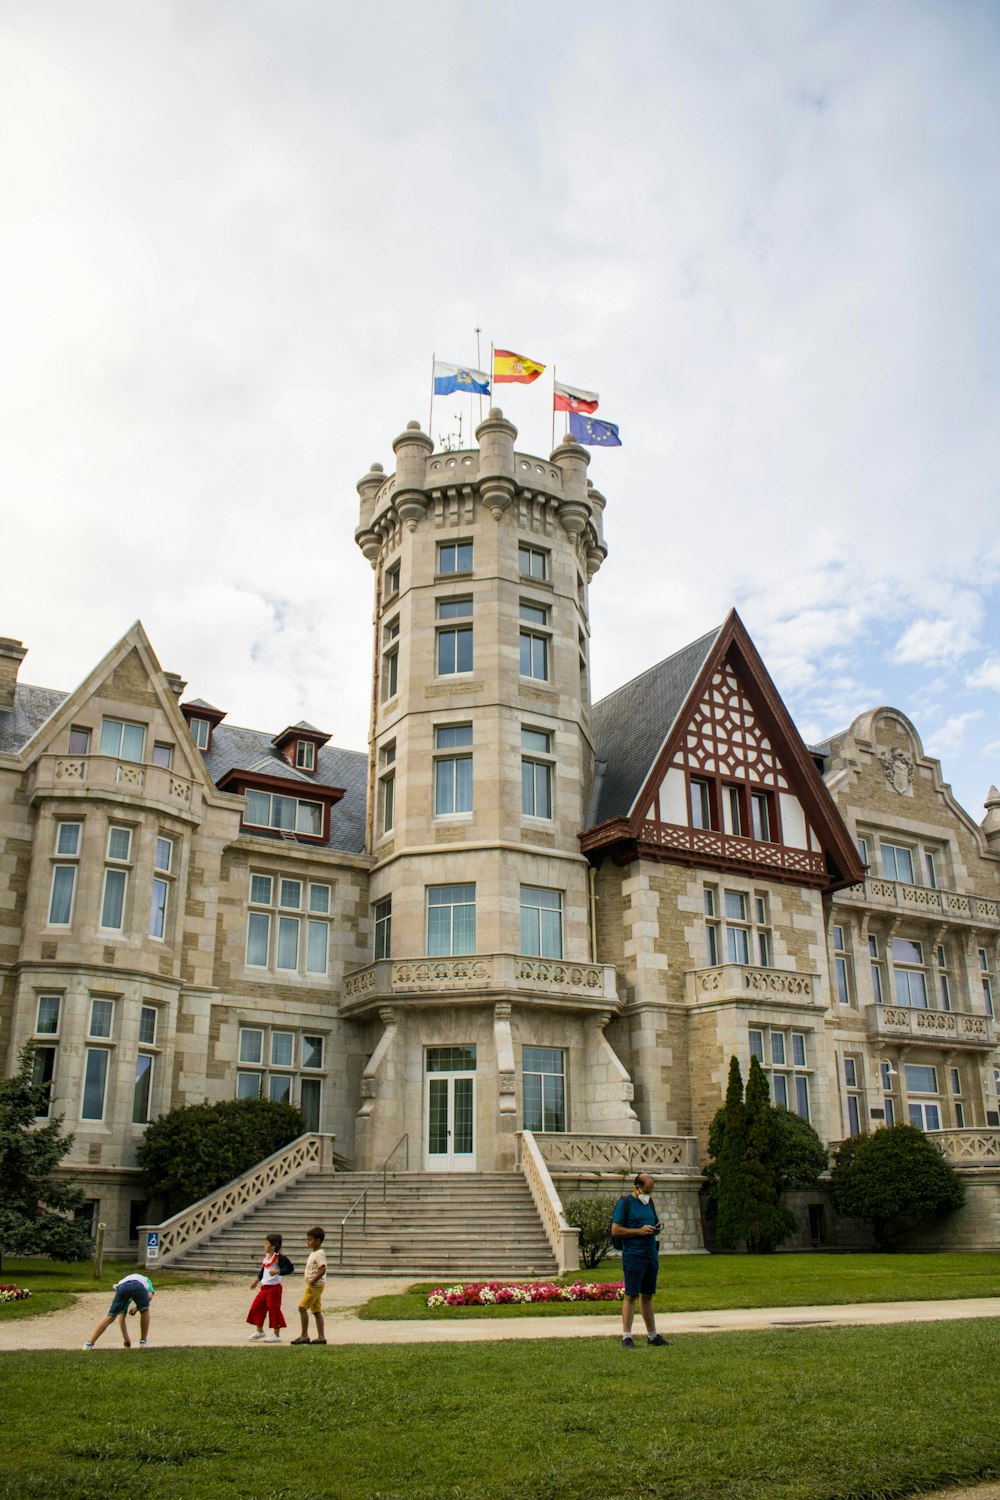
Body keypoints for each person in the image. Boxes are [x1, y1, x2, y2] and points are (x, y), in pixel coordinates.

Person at [611, 1172, 669, 1350]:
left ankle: (652, 1335)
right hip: (633, 1255)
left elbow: (652, 1221)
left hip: (650, 1254)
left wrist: (654, 1230)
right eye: (646, 1191)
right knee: (631, 1295)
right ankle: (626, 1336)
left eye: (651, 1192)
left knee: (647, 1295)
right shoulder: (625, 1203)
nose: (648, 1195)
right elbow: (616, 1230)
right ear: (637, 1187)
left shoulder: (649, 1202)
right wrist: (638, 1231)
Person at [83, 1272, 154, 1349]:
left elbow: (121, 1317)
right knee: (144, 1311)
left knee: (110, 1316)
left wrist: (126, 1339)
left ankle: (89, 1344)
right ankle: (143, 1342)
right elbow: (149, 1296)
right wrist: (137, 1308)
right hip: (138, 1286)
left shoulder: (124, 1283)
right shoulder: (147, 1280)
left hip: (122, 1288)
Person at [246, 1233, 288, 1342]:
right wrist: (256, 1281)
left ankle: (276, 1334)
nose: (264, 1245)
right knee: (257, 1307)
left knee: (274, 1310)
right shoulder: (267, 1257)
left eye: (266, 1243)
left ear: (273, 1246)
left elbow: (290, 1268)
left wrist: (278, 1271)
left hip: (274, 1289)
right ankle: (259, 1331)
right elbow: (263, 1271)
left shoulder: (279, 1258)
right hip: (264, 1288)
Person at [290, 1226, 327, 1345]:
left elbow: (322, 1269)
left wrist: (313, 1280)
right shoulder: (314, 1253)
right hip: (314, 1285)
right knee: (316, 1310)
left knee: (302, 1307)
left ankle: (304, 1335)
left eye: (310, 1239)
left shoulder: (319, 1254)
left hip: (314, 1286)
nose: (308, 1242)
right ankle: (321, 1337)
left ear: (318, 1241)